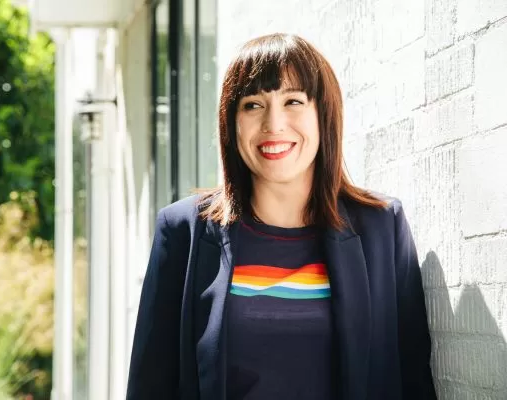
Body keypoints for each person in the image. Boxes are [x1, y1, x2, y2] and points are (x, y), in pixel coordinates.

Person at [126, 33, 436, 400]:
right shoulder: (183, 231)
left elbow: (412, 379)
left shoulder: (381, 227)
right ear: (231, 122)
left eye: (293, 101)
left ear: (324, 114)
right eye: (253, 104)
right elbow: (150, 386)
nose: (274, 124)